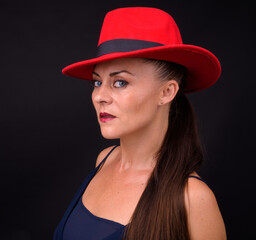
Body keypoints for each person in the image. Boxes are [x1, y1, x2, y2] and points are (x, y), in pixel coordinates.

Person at [53, 7, 226, 240]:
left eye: (120, 82)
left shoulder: (192, 199)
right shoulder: (104, 160)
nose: (99, 96)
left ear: (166, 92)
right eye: (97, 82)